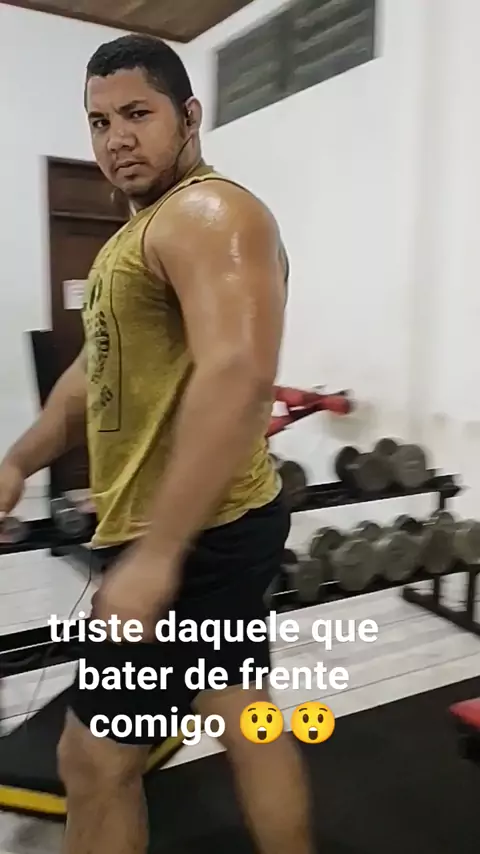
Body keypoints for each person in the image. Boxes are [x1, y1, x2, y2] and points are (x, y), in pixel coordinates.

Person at [0, 34, 315, 854]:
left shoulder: (210, 214)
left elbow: (238, 375)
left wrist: (158, 553)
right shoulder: (134, 239)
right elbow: (90, 378)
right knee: (242, 712)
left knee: (93, 762)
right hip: (218, 528)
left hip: (195, 536)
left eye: (137, 114)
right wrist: (19, 460)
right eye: (100, 122)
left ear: (190, 115)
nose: (117, 139)